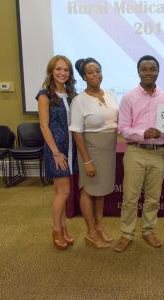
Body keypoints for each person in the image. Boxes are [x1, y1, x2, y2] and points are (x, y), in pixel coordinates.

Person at [113, 55, 164, 252]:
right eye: (144, 69)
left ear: (158, 72)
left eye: (152, 69)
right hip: (135, 152)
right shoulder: (128, 97)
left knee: (153, 197)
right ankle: (126, 233)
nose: (148, 72)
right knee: (130, 197)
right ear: (138, 72)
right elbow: (122, 128)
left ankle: (148, 230)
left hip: (158, 153)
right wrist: (142, 133)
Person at [69, 58, 118, 249]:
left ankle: (99, 227)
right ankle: (90, 232)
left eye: (98, 70)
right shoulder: (79, 100)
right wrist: (87, 161)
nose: (96, 75)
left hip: (109, 150)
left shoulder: (111, 95)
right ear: (83, 76)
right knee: (89, 190)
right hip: (90, 151)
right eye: (90, 72)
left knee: (101, 190)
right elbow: (76, 132)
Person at [37, 55, 78, 250]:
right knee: (64, 191)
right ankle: (56, 229)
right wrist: (55, 152)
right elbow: (44, 126)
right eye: (58, 69)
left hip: (71, 147)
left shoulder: (71, 94)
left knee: (58, 191)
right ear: (51, 71)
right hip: (56, 150)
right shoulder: (44, 94)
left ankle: (63, 226)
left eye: (66, 70)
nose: (62, 73)